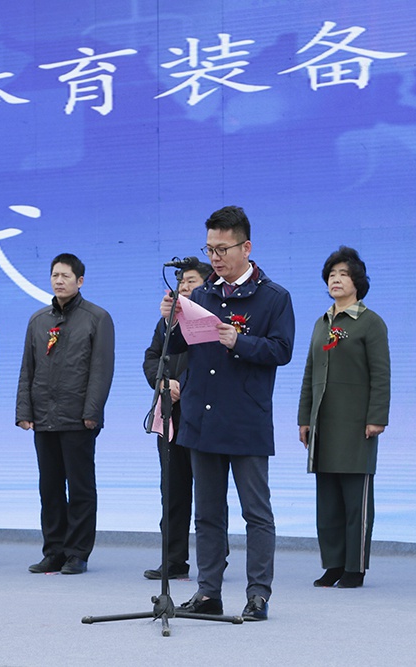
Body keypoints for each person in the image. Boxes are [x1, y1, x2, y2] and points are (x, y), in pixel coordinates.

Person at [159, 205, 295, 621]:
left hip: (246, 418)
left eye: (222, 249)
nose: (214, 257)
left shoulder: (274, 297)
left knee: (256, 512)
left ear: (246, 247)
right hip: (201, 417)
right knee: (207, 513)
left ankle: (258, 594)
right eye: (210, 249)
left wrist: (240, 342)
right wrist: (169, 320)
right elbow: (177, 348)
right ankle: (208, 592)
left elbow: (282, 351)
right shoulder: (201, 294)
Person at [298, 247, 390, 589]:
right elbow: (309, 373)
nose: (336, 280)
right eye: (331, 275)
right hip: (324, 424)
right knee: (328, 503)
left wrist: (376, 417)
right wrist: (305, 418)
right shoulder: (321, 323)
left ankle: (355, 567)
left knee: (355, 502)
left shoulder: (370, 322)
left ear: (358, 282)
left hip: (356, 425)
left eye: (343, 274)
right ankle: (333, 564)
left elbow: (381, 374)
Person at [17, 254, 114, 575]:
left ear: (80, 281)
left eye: (66, 276)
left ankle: (77, 553)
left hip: (78, 418)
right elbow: (27, 368)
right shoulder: (38, 320)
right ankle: (54, 550)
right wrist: (24, 411)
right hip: (43, 417)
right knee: (50, 488)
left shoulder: (97, 317)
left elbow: (101, 370)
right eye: (55, 275)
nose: (59, 281)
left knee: (81, 488)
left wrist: (92, 412)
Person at [142, 261, 212, 580]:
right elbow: (152, 357)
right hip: (171, 415)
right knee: (172, 490)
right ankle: (173, 560)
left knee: (209, 493)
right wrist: (161, 382)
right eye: (181, 282)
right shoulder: (166, 321)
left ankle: (213, 560)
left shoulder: (213, 320)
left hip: (204, 416)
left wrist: (182, 383)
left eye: (191, 281)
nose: (183, 287)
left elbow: (212, 363)